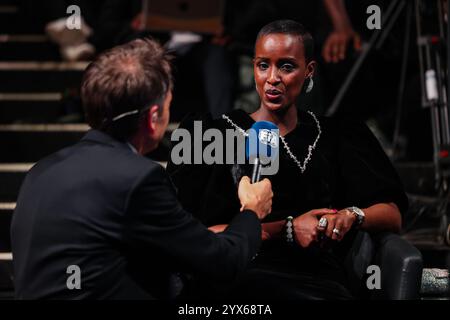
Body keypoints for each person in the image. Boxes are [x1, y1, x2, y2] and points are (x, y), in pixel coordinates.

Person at [10, 38, 274, 300]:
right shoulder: (138, 178)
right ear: (153, 117)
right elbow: (223, 263)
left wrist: (197, 236)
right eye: (169, 105)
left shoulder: (41, 171)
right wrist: (252, 210)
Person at [167, 20, 408, 299]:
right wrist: (288, 229)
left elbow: (392, 214)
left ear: (309, 71)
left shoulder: (338, 135)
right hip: (239, 274)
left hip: (316, 279)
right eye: (263, 65)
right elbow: (192, 237)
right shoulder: (212, 135)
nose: (272, 78)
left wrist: (351, 215)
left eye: (286, 66)